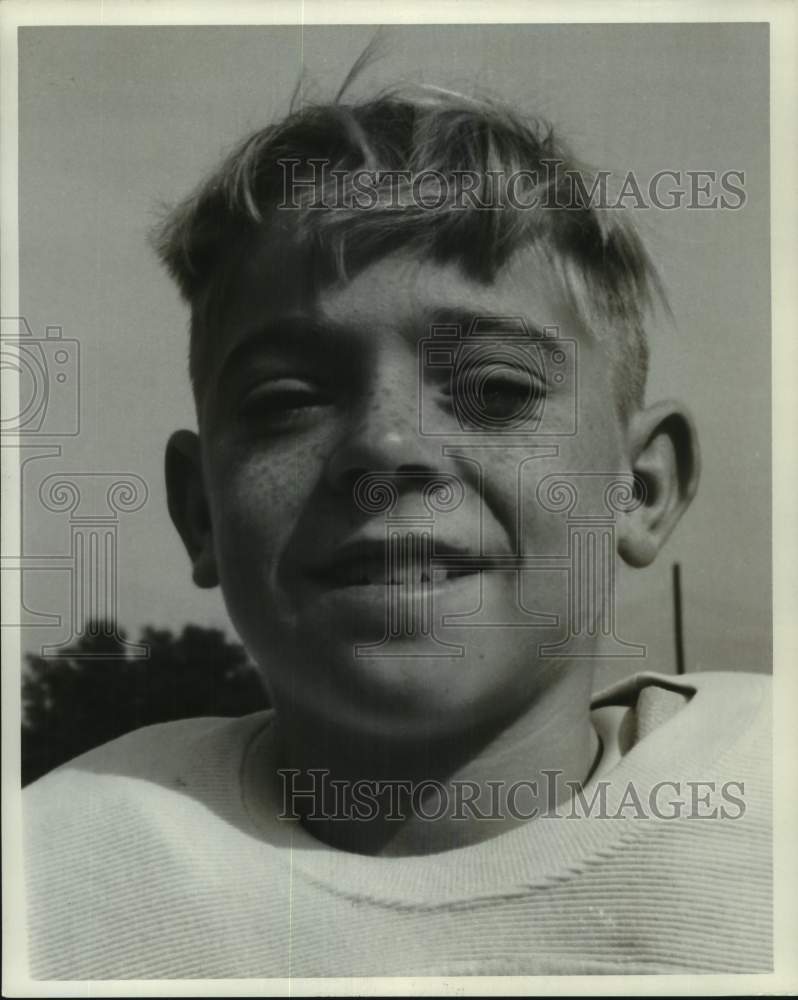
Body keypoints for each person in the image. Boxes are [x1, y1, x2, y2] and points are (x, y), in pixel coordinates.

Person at [24, 79, 771, 979]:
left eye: (497, 391)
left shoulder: (770, 804)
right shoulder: (52, 878)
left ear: (642, 487)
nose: (385, 446)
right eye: (287, 401)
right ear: (199, 512)